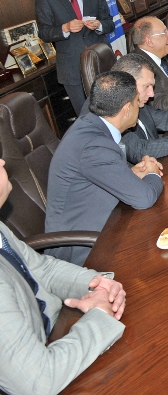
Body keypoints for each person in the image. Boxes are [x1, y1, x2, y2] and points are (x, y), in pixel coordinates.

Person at [0, 157, 128, 395]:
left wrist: (97, 285)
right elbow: (39, 381)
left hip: (56, 331)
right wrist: (100, 315)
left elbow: (42, 269)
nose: (1, 161)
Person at [45, 71, 163, 266]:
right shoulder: (94, 146)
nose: (140, 106)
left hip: (108, 219)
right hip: (85, 249)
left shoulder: (91, 124)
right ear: (126, 109)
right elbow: (144, 198)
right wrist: (152, 173)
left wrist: (129, 175)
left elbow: (95, 177)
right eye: (136, 101)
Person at [81, 54, 168, 163]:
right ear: (129, 82)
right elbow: (139, 150)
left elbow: (161, 118)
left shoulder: (131, 97)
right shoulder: (110, 106)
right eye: (147, 86)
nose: (151, 94)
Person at [36, 0, 115, 115]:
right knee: (86, 117)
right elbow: (43, 32)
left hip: (101, 60)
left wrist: (99, 24)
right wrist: (65, 28)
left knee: (114, 111)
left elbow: (109, 23)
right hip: (72, 67)